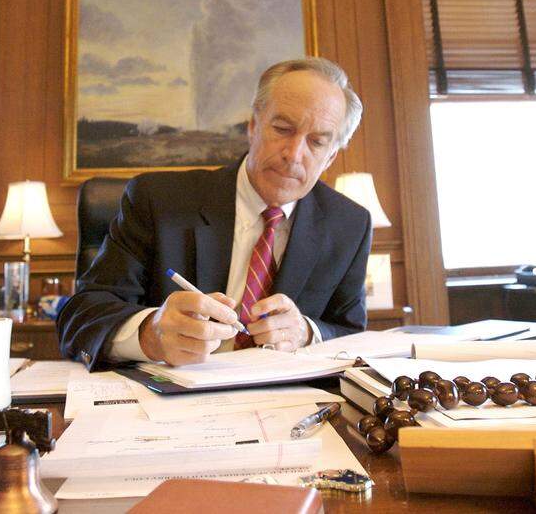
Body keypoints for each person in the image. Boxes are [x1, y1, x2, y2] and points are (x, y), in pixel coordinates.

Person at [57, 57, 373, 370]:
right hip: (170, 407)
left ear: (330, 157)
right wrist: (151, 333)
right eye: (282, 129)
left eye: (317, 142)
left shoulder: (348, 225)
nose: (294, 155)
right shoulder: (159, 201)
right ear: (253, 126)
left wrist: (307, 332)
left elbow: (350, 336)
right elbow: (82, 317)